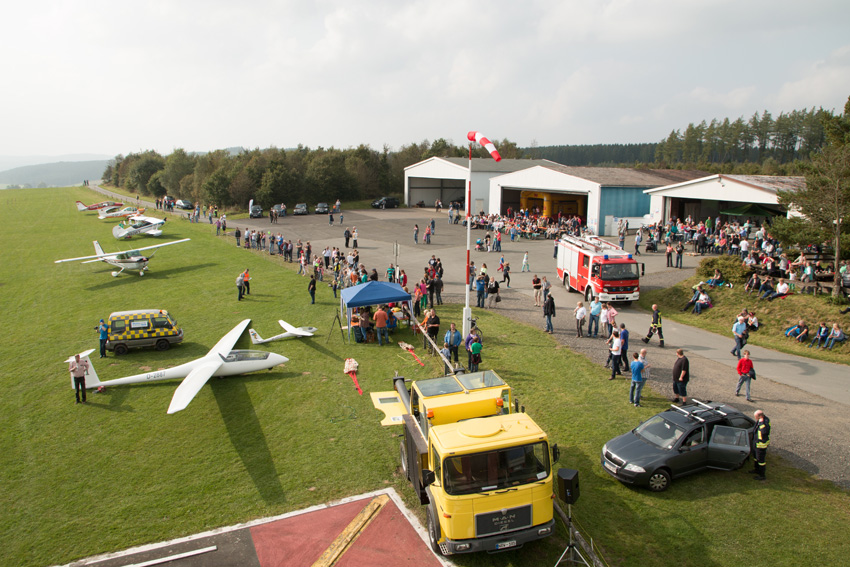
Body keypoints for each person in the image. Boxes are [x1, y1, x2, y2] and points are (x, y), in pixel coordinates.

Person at [752, 410, 771, 481]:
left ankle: (762, 475)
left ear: (760, 416)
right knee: (755, 457)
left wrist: (761, 423)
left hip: (761, 445)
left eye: (756, 417)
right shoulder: (760, 420)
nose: (755, 418)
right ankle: (756, 469)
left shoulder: (764, 423)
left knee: (761, 460)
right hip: (756, 443)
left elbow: (764, 432)